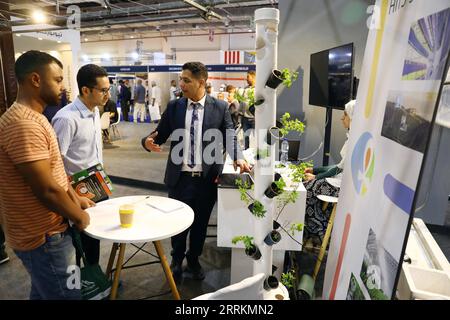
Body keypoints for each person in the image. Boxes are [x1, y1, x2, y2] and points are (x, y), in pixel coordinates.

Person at [142, 61, 251, 282]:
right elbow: (159, 134)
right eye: (181, 79)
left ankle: (193, 259)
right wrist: (147, 141)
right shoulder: (174, 107)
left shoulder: (220, 108)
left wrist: (239, 156)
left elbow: (229, 134)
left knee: (200, 224)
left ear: (202, 82)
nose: (181, 84)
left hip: (206, 179)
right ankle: (176, 259)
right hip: (180, 179)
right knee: (178, 224)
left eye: (186, 80)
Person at [0, 50, 90, 299]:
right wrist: (79, 216)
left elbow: (55, 174)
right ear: (36, 80)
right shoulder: (24, 124)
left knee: (45, 292)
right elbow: (46, 190)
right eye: (58, 79)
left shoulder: (33, 118)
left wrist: (75, 198)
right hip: (45, 237)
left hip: (46, 234)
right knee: (67, 294)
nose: (63, 86)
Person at [52, 63, 109, 266]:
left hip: (96, 184)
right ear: (85, 90)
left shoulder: (93, 112)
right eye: (103, 90)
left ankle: (94, 279)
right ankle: (85, 285)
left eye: (108, 89)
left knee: (93, 238)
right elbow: (54, 163)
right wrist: (73, 197)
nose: (107, 95)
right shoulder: (66, 119)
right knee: (79, 244)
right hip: (75, 191)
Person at [302, 99, 355, 243]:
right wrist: (315, 170)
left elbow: (338, 168)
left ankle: (321, 230)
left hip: (345, 188)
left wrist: (315, 176)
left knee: (307, 188)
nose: (342, 118)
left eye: (345, 115)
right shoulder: (351, 138)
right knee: (304, 183)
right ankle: (311, 229)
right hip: (339, 181)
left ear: (353, 118)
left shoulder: (355, 141)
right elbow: (338, 166)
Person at [240, 70, 256, 149]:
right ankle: (246, 155)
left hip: (254, 119)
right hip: (245, 118)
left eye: (248, 77)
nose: (246, 79)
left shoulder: (257, 89)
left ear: (253, 77)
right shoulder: (245, 89)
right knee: (245, 138)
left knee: (254, 138)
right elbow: (242, 101)